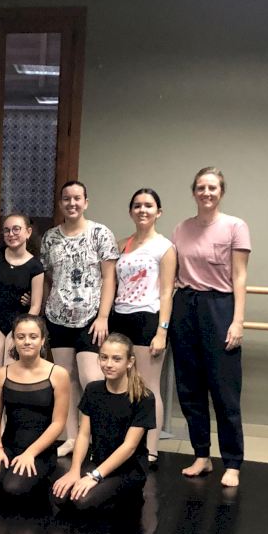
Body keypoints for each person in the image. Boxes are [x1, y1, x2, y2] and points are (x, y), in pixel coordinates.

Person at [170, 167, 251, 488]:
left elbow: (240, 276)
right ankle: (201, 455)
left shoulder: (235, 226)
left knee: (224, 390)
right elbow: (171, 272)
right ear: (193, 192)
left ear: (221, 192)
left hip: (220, 306)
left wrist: (238, 321)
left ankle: (232, 462)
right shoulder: (181, 228)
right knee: (189, 388)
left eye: (212, 187)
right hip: (185, 306)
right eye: (201, 187)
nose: (206, 192)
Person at [39, 180, 118, 457]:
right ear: (60, 203)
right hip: (58, 318)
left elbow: (109, 278)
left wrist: (103, 316)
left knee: (91, 379)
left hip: (91, 319)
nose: (72, 203)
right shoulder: (50, 238)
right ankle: (72, 438)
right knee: (66, 380)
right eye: (66, 199)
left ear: (86, 202)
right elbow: (47, 277)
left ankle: (99, 440)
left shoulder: (100, 234)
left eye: (77, 198)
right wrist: (45, 309)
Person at [109, 188, 175, 468]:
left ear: (158, 212)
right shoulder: (121, 244)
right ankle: (126, 446)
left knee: (148, 387)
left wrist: (162, 331)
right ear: (130, 211)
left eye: (148, 205)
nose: (142, 210)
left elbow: (167, 292)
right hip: (119, 318)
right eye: (137, 205)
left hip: (148, 319)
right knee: (123, 385)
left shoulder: (165, 247)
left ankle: (151, 448)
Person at [51, 333, 154, 513]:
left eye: (116, 359)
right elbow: (84, 434)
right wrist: (74, 470)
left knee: (81, 501)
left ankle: (129, 496)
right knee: (59, 496)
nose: (108, 364)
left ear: (129, 362)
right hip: (99, 462)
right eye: (104, 357)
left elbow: (129, 447)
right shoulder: (93, 390)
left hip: (128, 469)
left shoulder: (143, 397)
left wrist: (95, 476)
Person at [0, 314, 70, 497]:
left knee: (13, 488)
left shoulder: (58, 374)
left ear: (42, 340)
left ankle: (43, 476)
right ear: (14, 340)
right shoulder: (2, 374)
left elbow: (58, 423)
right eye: (21, 337)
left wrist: (30, 453)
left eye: (33, 337)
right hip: (8, 447)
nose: (27, 341)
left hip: (40, 451)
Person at [0, 212, 44, 372]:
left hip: (19, 323)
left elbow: (36, 305)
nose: (11, 234)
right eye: (7, 230)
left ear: (28, 232)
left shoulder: (35, 266)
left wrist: (22, 329)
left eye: (16, 229)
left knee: (11, 372)